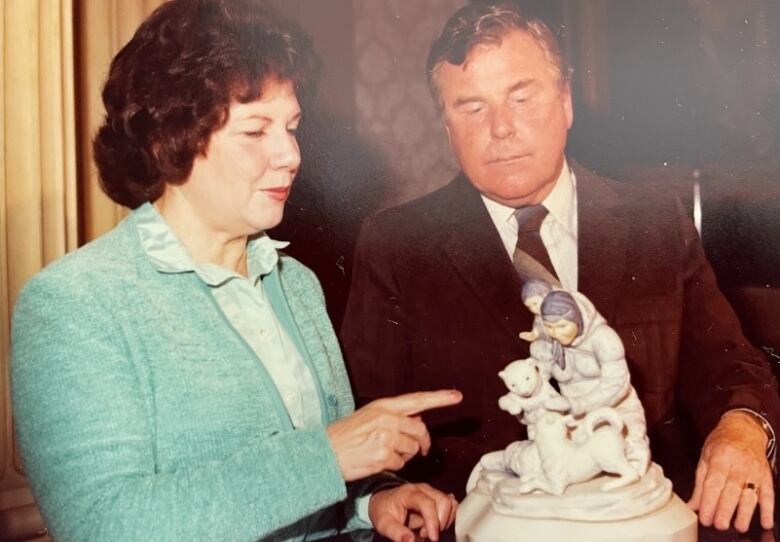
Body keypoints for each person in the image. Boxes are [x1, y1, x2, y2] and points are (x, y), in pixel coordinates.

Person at [10, 1, 460, 541]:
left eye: (292, 127)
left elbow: (319, 491)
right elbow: (105, 525)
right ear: (169, 139)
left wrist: (375, 501)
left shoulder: (296, 284)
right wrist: (329, 455)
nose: (290, 155)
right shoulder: (76, 303)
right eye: (255, 132)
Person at [341, 1, 780, 533]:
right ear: (446, 126)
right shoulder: (397, 245)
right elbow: (364, 416)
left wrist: (743, 430)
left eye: (521, 97)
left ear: (566, 102)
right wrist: (386, 492)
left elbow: (732, 368)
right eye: (472, 108)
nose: (501, 128)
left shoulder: (655, 225)